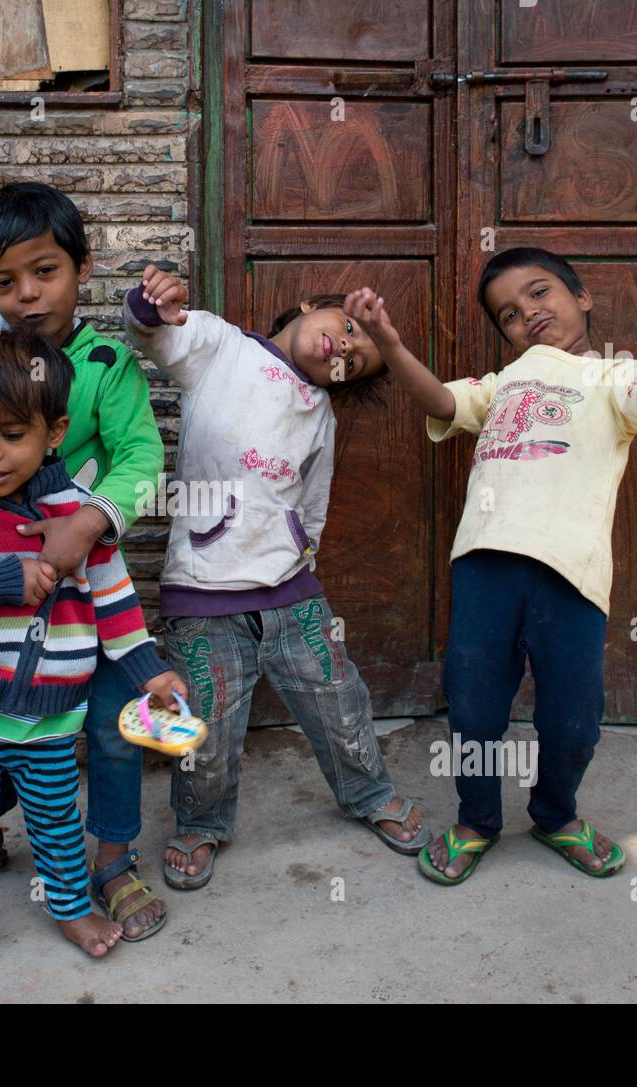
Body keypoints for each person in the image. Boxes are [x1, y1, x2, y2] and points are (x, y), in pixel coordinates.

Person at [353, 246, 637, 884]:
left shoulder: (614, 377)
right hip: (485, 566)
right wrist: (390, 342)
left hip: (571, 575)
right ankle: (476, 820)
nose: (530, 314)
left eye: (541, 293)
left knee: (573, 717)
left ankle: (556, 814)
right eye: (510, 314)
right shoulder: (502, 384)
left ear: (583, 298)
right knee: (474, 708)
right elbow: (438, 401)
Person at [0, 181, 170, 940]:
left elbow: (142, 456)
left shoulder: (108, 362)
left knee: (114, 724)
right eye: (4, 283)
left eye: (44, 271)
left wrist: (87, 521)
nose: (27, 295)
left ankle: (111, 859)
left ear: (81, 265)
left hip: (82, 593)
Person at [124, 265, 432, 891]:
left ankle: (369, 793)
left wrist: (304, 554)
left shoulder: (320, 412)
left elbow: (313, 500)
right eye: (347, 328)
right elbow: (152, 335)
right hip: (202, 589)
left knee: (339, 699)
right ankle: (199, 823)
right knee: (204, 723)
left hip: (292, 593)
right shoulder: (221, 347)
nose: (345, 346)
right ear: (304, 306)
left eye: (358, 360)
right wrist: (152, 303)